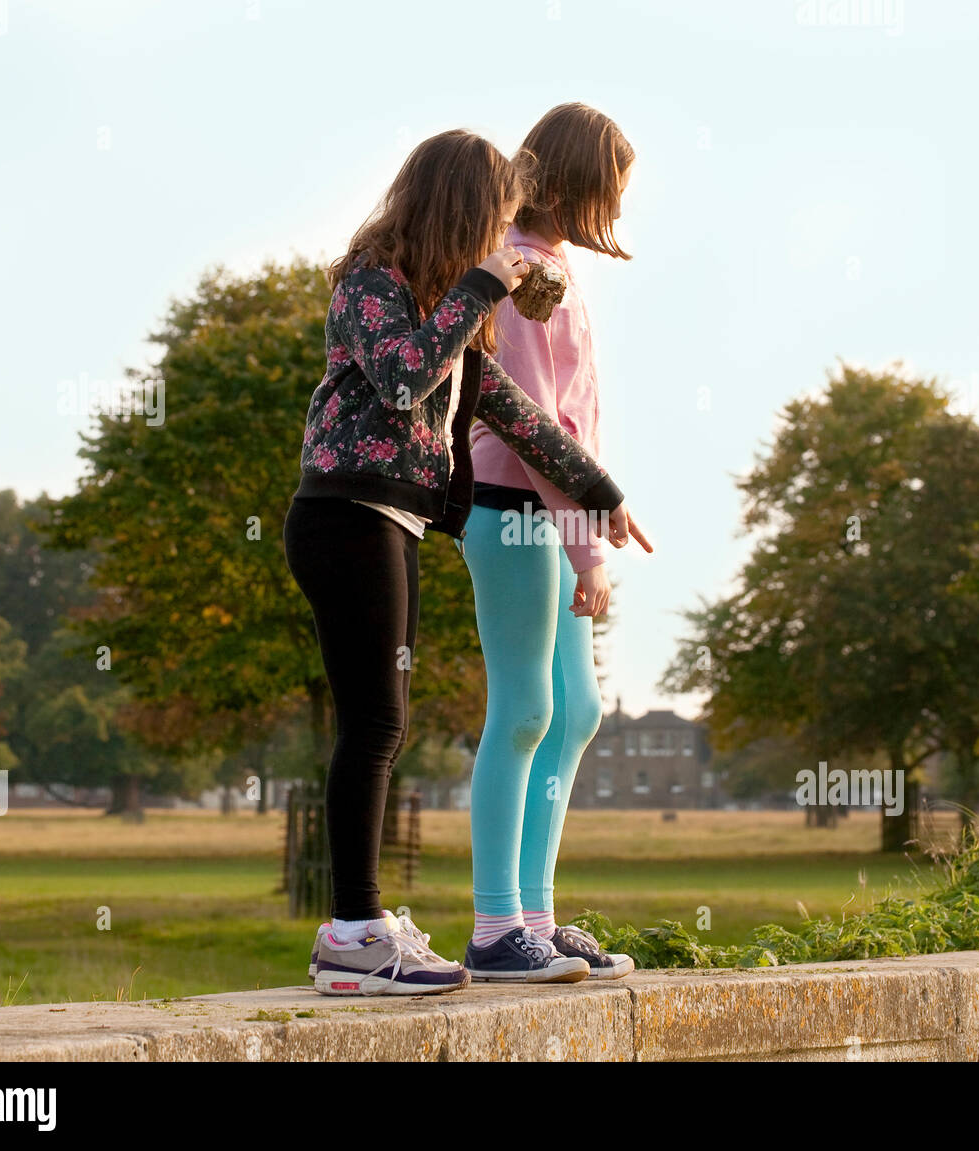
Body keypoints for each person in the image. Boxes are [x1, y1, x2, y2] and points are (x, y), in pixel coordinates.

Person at [282, 129, 645, 996]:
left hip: (392, 519)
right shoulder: (369, 280)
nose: (503, 239)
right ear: (460, 208)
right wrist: (483, 287)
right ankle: (355, 932)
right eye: (495, 220)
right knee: (372, 725)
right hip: (341, 512)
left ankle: (362, 926)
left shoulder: (445, 305)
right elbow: (405, 380)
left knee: (385, 722)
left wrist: (605, 493)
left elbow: (516, 417)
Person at [459, 104, 651, 983]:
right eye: (607, 191)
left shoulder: (558, 266)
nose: (610, 209)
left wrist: (601, 513)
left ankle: (535, 914)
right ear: (574, 183)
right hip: (509, 507)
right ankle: (497, 927)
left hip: (560, 511)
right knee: (526, 708)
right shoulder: (520, 272)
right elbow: (534, 427)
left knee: (577, 711)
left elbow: (582, 420)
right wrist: (589, 550)